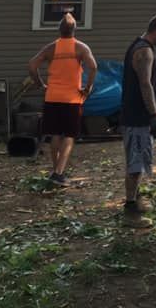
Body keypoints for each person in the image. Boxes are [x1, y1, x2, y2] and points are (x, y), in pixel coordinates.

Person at [28, 13, 97, 186]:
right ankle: (59, 173)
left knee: (55, 134)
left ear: (59, 30)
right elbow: (93, 67)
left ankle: (56, 171)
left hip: (52, 97)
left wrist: (40, 84)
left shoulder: (51, 48)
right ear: (74, 30)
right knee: (69, 136)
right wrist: (88, 88)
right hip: (72, 99)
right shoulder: (81, 47)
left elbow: (32, 65)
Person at [121, 14, 156, 226]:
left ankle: (136, 199)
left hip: (138, 116)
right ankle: (130, 212)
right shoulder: (144, 51)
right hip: (137, 118)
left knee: (139, 162)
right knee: (135, 166)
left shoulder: (140, 46)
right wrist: (153, 115)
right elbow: (145, 84)